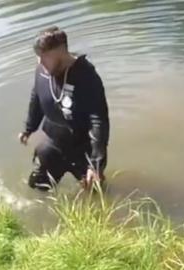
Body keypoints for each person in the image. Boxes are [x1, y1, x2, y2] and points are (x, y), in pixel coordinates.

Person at [19, 26, 110, 191]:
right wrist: (29, 128)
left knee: (96, 194)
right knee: (37, 187)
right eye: (38, 57)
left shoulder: (86, 76)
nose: (40, 62)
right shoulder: (42, 70)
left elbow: (98, 120)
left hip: (84, 149)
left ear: (60, 52)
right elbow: (38, 98)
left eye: (44, 57)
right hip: (52, 143)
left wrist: (96, 163)